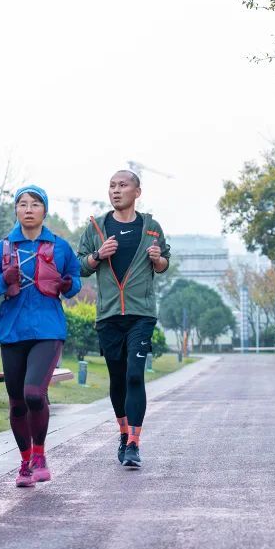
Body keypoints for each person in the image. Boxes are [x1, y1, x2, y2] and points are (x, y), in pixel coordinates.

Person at [0, 185, 81, 487]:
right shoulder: (1, 250)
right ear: (16, 210)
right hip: (12, 332)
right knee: (18, 402)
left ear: (45, 210)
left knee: (35, 394)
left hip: (48, 329)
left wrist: (67, 284)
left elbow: (74, 280)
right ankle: (24, 464)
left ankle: (40, 456)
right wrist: (1, 280)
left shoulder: (60, 247)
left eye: (35, 204)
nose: (29, 209)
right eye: (23, 204)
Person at [77, 169, 170, 468]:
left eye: (123, 185)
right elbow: (80, 266)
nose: (116, 190)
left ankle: (134, 443)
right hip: (108, 316)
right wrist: (98, 255)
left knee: (134, 374)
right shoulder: (96, 227)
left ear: (137, 192)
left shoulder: (152, 227)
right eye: (112, 186)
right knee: (117, 378)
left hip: (141, 314)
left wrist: (158, 260)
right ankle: (122, 433)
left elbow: (164, 263)